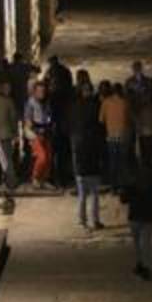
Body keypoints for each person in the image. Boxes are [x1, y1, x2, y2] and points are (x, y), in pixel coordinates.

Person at [70, 82, 105, 230]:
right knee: (95, 195)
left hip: (81, 167)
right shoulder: (96, 108)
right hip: (93, 166)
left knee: (82, 195)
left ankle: (82, 221)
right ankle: (95, 221)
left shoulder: (75, 109)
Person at [120, 167, 152, 281]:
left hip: (134, 216)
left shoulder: (130, 185)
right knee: (145, 243)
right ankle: (144, 265)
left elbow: (123, 200)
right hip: (148, 216)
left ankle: (142, 264)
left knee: (138, 243)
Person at [46, 56, 75, 186]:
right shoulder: (65, 72)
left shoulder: (52, 98)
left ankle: (55, 177)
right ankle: (65, 177)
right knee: (64, 153)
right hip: (64, 127)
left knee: (55, 152)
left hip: (57, 128)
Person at [23, 81, 54, 189]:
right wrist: (35, 130)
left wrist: (48, 125)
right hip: (34, 133)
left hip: (46, 132)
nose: (42, 93)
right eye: (39, 91)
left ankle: (44, 179)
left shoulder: (46, 102)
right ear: (34, 92)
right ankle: (35, 178)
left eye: (43, 91)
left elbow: (49, 117)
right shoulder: (30, 103)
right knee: (42, 157)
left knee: (49, 157)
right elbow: (28, 121)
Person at [100, 83, 131, 187]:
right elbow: (129, 119)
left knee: (113, 161)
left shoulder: (106, 102)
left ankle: (114, 186)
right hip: (123, 135)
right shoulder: (125, 103)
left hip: (111, 135)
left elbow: (101, 120)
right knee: (123, 161)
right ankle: (123, 184)